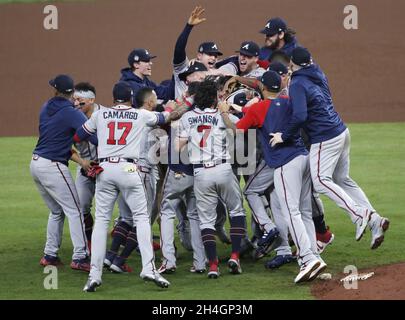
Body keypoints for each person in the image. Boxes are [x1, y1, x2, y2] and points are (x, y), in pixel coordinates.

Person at [270, 47, 389, 249]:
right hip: (341, 131)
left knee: (320, 181)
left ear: (293, 64)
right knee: (343, 180)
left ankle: (360, 214)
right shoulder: (318, 72)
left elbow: (300, 116)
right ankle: (375, 221)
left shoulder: (298, 83)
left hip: (325, 137)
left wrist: (284, 135)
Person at [219, 70, 326, 283]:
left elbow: (237, 129)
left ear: (262, 87)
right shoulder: (287, 101)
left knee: (290, 211)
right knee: (304, 211)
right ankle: (315, 257)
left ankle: (306, 259)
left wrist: (224, 111)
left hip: (286, 163)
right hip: (303, 158)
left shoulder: (258, 109)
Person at [76, 82, 177, 292]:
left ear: (113, 98)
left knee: (102, 221)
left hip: (105, 169)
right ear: (131, 98)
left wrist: (103, 142)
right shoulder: (140, 114)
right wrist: (182, 104)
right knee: (141, 218)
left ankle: (94, 275)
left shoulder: (100, 114)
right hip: (129, 170)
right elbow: (166, 117)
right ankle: (148, 268)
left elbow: (79, 136)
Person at [175, 78, 247, 279]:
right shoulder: (223, 115)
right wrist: (226, 112)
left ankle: (213, 265)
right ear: (214, 96)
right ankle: (234, 256)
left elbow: (177, 147)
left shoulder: (187, 118)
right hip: (223, 169)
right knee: (236, 210)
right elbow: (240, 130)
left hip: (201, 174)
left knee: (206, 221)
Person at [31, 74, 94, 272]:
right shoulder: (71, 112)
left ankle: (50, 255)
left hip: (35, 163)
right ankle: (80, 256)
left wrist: (82, 162)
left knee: (57, 211)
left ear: (55, 90)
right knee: (75, 210)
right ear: (71, 93)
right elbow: (89, 133)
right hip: (53, 166)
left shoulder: (45, 106)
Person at [72, 82, 101, 248]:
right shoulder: (72, 116)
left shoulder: (105, 114)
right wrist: (82, 163)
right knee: (81, 206)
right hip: (84, 166)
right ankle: (89, 242)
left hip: (107, 168)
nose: (76, 104)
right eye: (74, 100)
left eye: (80, 101)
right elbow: (65, 144)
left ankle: (134, 240)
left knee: (125, 208)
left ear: (91, 100)